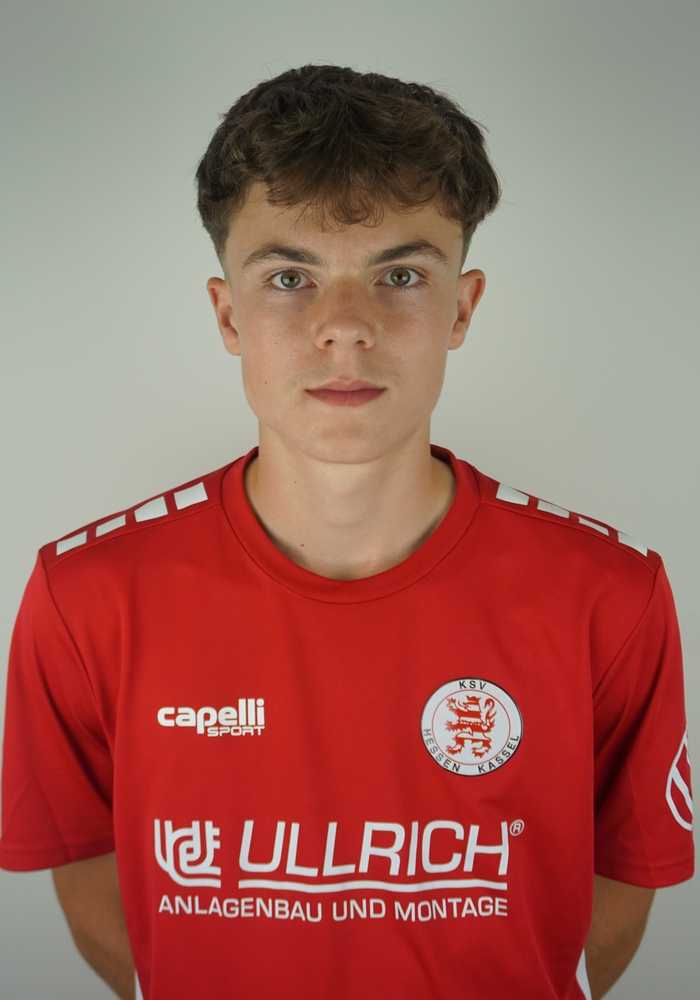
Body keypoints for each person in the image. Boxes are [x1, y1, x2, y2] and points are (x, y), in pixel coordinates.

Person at [0, 65, 693, 1000]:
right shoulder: (85, 597)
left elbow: (619, 883)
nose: (345, 329)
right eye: (290, 278)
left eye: (399, 276)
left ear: (462, 307)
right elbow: (87, 868)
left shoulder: (610, 595)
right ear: (227, 314)